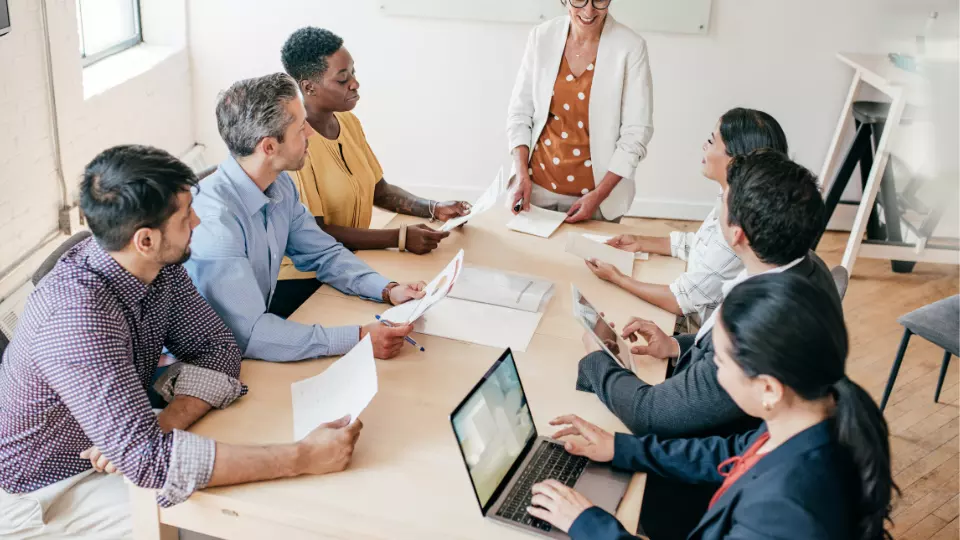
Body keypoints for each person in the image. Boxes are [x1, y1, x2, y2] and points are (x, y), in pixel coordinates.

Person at [0, 146, 365, 538]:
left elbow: (218, 348)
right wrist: (303, 456)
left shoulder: (156, 265)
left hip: (122, 446)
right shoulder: (79, 317)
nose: (197, 219)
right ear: (145, 239)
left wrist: (162, 424)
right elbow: (152, 463)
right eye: (185, 215)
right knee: (232, 521)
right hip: (47, 489)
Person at [577, 150, 834, 539]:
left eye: (722, 201)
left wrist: (599, 358)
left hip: (693, 493)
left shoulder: (775, 514)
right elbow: (739, 448)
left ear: (737, 233)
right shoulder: (805, 272)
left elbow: (651, 414)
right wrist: (678, 347)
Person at [528, 274, 896, 540]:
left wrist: (587, 523)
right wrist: (621, 447)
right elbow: (729, 452)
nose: (713, 373)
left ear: (768, 388)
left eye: (718, 362)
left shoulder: (783, 511)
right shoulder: (811, 411)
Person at [185, 73, 424, 361]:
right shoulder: (216, 224)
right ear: (269, 147)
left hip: (252, 341)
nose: (310, 132)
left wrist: (388, 289)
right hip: (208, 360)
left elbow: (323, 253)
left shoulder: (279, 184)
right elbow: (250, 334)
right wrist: (358, 338)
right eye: (300, 127)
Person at [277, 26, 470, 287]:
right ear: (309, 87)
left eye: (353, 72)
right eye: (342, 79)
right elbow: (316, 233)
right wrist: (399, 238)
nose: (355, 84)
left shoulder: (348, 122)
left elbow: (380, 191)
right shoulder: (295, 143)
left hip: (350, 262)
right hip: (306, 277)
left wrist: (434, 208)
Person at [585, 108, 789, 331]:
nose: (704, 146)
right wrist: (640, 242)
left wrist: (618, 278)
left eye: (711, 141)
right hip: (690, 312)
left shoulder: (737, 229)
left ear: (735, 159)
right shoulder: (732, 199)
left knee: (600, 312)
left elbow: (681, 300)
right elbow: (701, 246)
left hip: (695, 332)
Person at [507, 0, 653, 223]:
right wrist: (521, 175)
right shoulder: (542, 36)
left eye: (599, 0)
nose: (589, 10)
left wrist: (599, 195)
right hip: (534, 189)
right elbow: (520, 112)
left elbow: (637, 133)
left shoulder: (630, 47)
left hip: (597, 198)